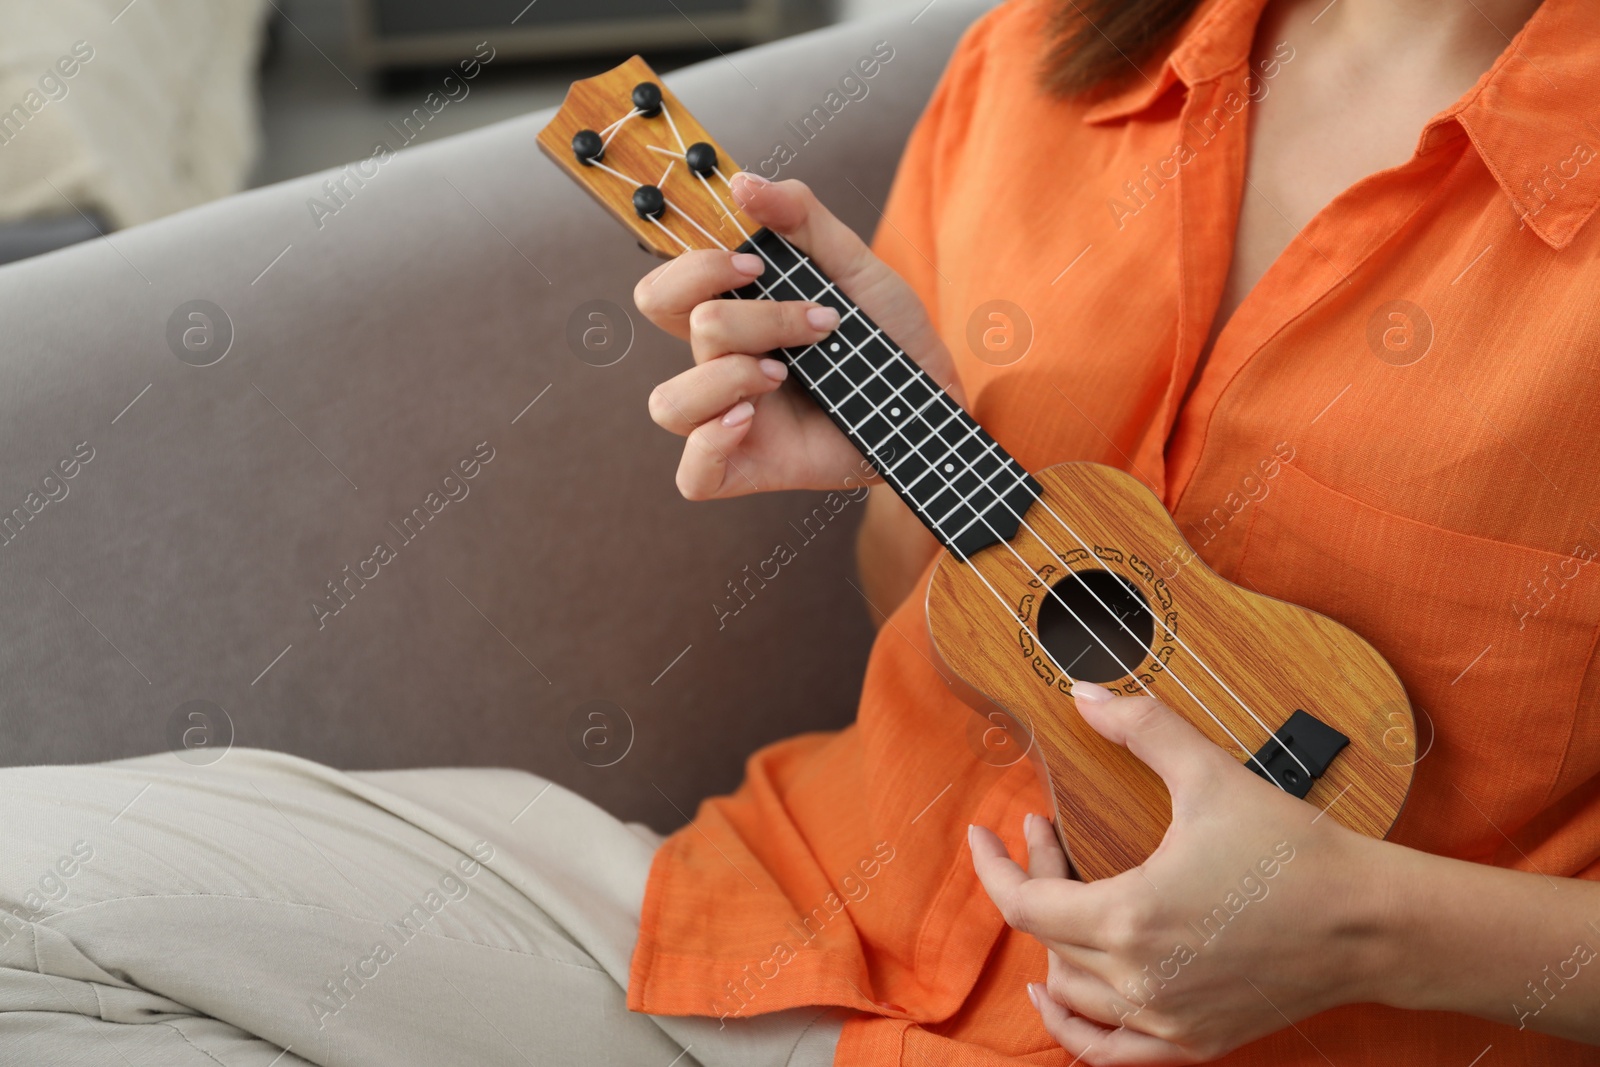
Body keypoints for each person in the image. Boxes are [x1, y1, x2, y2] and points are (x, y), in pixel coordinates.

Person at [2, 0, 1597, 1064]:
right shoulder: (1050, 60)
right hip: (796, 946)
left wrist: (1368, 927)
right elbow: (944, 622)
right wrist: (922, 449)